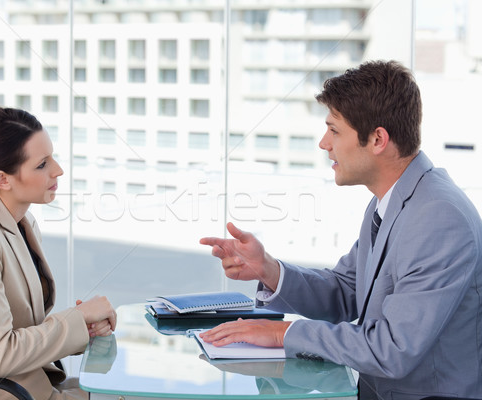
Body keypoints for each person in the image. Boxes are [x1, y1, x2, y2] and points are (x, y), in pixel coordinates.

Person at [199, 60, 482, 399]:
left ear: (377, 139)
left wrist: (282, 333)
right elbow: (348, 290)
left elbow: (392, 349)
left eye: (334, 130)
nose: (323, 143)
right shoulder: (394, 200)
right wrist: (270, 270)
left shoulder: (438, 218)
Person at [0, 107, 117, 400]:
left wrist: (84, 328)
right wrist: (77, 319)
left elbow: (19, 326)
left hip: (23, 381)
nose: (58, 170)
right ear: (3, 179)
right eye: (42, 164)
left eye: (52, 157)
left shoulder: (19, 221)